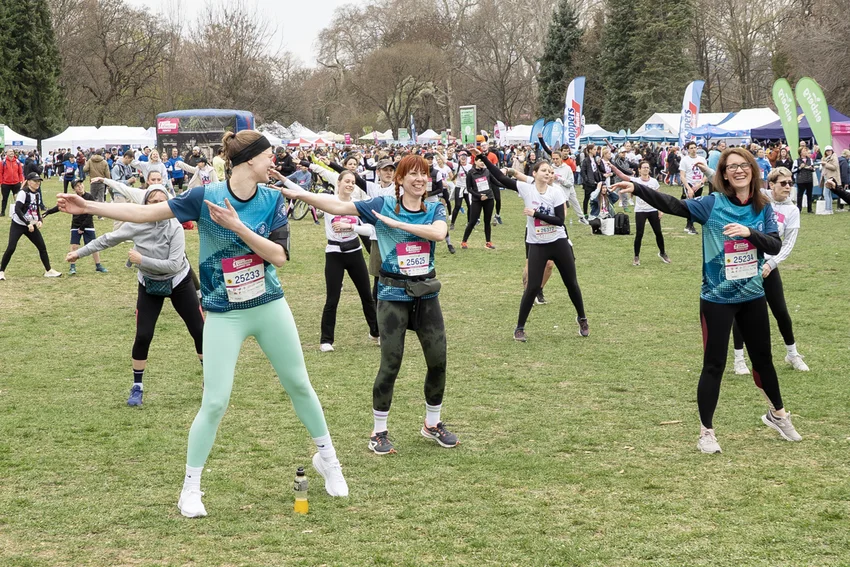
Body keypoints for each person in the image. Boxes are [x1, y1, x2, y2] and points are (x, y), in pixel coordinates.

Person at [56, 130, 348, 516]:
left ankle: (329, 461)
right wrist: (89, 206)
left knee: (299, 384)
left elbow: (278, 256)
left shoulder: (272, 199)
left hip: (269, 305)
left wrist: (238, 227)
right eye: (268, 156)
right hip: (224, 313)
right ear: (249, 160)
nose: (273, 163)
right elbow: (146, 213)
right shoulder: (204, 196)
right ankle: (190, 489)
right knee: (215, 400)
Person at [613, 148, 801, 454]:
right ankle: (707, 432)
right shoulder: (712, 203)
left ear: (753, 170)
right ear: (723, 174)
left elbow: (774, 245)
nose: (739, 170)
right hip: (717, 298)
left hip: (753, 294)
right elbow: (674, 204)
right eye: (731, 167)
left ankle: (778, 415)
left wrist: (748, 233)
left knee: (763, 360)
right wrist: (638, 188)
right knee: (714, 364)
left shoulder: (763, 205)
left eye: (744, 165)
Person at [276, 154, 458, 456]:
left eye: (423, 174)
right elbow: (338, 206)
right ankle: (379, 432)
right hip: (393, 295)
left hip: (426, 295)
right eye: (412, 174)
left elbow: (439, 233)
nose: (419, 179)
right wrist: (296, 193)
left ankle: (432, 423)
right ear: (400, 179)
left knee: (438, 361)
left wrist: (396, 224)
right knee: (390, 364)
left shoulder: (434, 207)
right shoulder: (381, 205)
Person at [66, 184, 203, 405]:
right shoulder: (136, 224)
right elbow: (107, 239)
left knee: (199, 331)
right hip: (149, 282)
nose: (157, 206)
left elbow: (174, 264)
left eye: (162, 202)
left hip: (179, 281)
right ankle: (137, 387)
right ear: (145, 204)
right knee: (143, 335)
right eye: (152, 202)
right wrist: (79, 253)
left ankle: (209, 380)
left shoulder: (175, 227)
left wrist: (141, 260)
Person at [481, 153, 588, 341]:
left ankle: (582, 319)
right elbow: (501, 178)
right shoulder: (526, 188)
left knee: (571, 283)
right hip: (537, 244)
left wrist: (535, 214)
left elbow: (559, 221)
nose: (548, 173)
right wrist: (483, 158)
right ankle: (519, 328)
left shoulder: (556, 192)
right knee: (532, 287)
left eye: (550, 171)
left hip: (558, 242)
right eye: (544, 170)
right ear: (535, 173)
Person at [287, 168, 379, 351]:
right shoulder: (328, 201)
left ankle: (376, 332)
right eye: (347, 181)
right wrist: (282, 179)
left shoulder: (358, 204)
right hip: (334, 253)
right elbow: (303, 193)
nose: (350, 185)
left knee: (367, 296)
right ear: (338, 183)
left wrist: (350, 227)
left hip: (354, 252)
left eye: (353, 182)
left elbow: (370, 230)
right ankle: (326, 340)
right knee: (332, 299)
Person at [731, 167, 808, 374]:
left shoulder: (792, 210)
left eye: (790, 183)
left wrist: (771, 264)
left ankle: (792, 354)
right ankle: (739, 359)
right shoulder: (760, 198)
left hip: (769, 265)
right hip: (747, 262)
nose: (788, 186)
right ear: (771, 184)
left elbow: (788, 244)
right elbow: (732, 184)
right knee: (742, 311)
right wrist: (707, 171)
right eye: (783, 183)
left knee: (780, 311)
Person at [0, 173, 62, 280]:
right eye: (35, 181)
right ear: (28, 182)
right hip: (18, 224)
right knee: (11, 247)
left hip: (31, 225)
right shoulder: (23, 193)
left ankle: (48, 271)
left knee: (42, 247)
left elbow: (36, 210)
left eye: (39, 181)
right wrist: (27, 223)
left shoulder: (37, 194)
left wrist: (40, 220)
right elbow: (17, 209)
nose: (37, 183)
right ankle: (1, 271)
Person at [44, 179, 108, 275]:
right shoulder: (73, 199)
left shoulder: (89, 197)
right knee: (74, 246)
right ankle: (72, 267)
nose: (80, 187)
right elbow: (61, 206)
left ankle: (98, 265)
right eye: (77, 186)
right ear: (74, 189)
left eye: (81, 184)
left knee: (94, 246)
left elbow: (91, 213)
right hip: (76, 225)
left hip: (88, 225)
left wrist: (82, 227)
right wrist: (48, 212)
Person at [612, 161, 669, 265]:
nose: (646, 169)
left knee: (658, 232)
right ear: (639, 169)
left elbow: (659, 197)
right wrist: (613, 167)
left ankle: (662, 253)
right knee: (639, 234)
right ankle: (636, 256)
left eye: (647, 167)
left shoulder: (654, 182)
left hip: (652, 210)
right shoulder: (636, 181)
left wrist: (660, 210)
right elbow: (622, 176)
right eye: (644, 167)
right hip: (640, 211)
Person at [460, 153, 497, 250]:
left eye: (483, 161)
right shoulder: (471, 173)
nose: (482, 163)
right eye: (480, 161)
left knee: (487, 221)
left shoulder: (487, 171)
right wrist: (479, 196)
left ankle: (488, 242)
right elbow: (469, 188)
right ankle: (464, 241)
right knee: (472, 221)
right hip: (477, 200)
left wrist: (509, 184)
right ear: (475, 161)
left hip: (489, 198)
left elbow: (495, 182)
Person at [680, 141, 707, 235]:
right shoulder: (684, 160)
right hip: (689, 183)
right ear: (688, 150)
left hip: (699, 184)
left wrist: (701, 183)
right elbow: (682, 175)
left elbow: (706, 173)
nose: (693, 150)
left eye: (695, 147)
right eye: (691, 148)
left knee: (697, 204)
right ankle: (691, 226)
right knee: (691, 205)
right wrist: (688, 188)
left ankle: (688, 225)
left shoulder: (702, 159)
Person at [1, 148, 25, 216]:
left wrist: (21, 180)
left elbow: (20, 172)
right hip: (6, 184)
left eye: (12, 151)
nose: (12, 153)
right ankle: (2, 212)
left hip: (16, 183)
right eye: (10, 151)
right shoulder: (3, 162)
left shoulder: (17, 162)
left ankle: (19, 211)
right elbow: (0, 172)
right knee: (4, 198)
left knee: (18, 198)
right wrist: (1, 182)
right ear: (7, 153)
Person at [580, 144, 602, 216]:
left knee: (596, 198)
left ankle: (596, 212)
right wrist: (587, 180)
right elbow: (583, 171)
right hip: (589, 183)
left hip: (596, 181)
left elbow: (598, 169)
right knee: (587, 198)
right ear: (590, 150)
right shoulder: (586, 160)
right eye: (594, 149)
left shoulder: (595, 159)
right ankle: (585, 213)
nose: (596, 151)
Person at [792, 147, 815, 213]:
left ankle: (810, 209)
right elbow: (793, 170)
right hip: (801, 180)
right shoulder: (797, 161)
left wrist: (811, 168)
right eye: (804, 151)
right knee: (800, 195)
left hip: (809, 179)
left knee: (809, 195)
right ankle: (799, 209)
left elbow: (813, 169)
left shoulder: (810, 160)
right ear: (800, 153)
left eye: (806, 151)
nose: (806, 152)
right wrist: (800, 167)